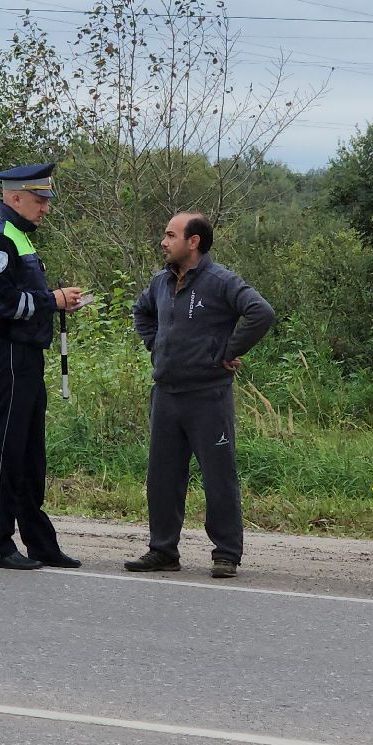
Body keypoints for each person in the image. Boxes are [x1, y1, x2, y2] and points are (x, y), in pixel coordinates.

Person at [124, 212, 276, 579]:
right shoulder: (160, 282)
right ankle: (163, 551)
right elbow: (141, 313)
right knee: (162, 478)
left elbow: (261, 312)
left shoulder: (220, 281)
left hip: (208, 396)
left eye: (170, 235)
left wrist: (226, 352)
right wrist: (156, 346)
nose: (163, 241)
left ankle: (226, 554)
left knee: (218, 476)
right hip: (166, 395)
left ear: (193, 242)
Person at [0, 163, 87, 570]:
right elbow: (4, 305)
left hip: (28, 355)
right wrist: (52, 301)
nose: (46, 209)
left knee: (30, 454)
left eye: (47, 201)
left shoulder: (18, 235)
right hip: (10, 354)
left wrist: (55, 301)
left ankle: (40, 542)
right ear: (15, 197)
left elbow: (25, 294)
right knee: (6, 452)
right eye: (39, 201)